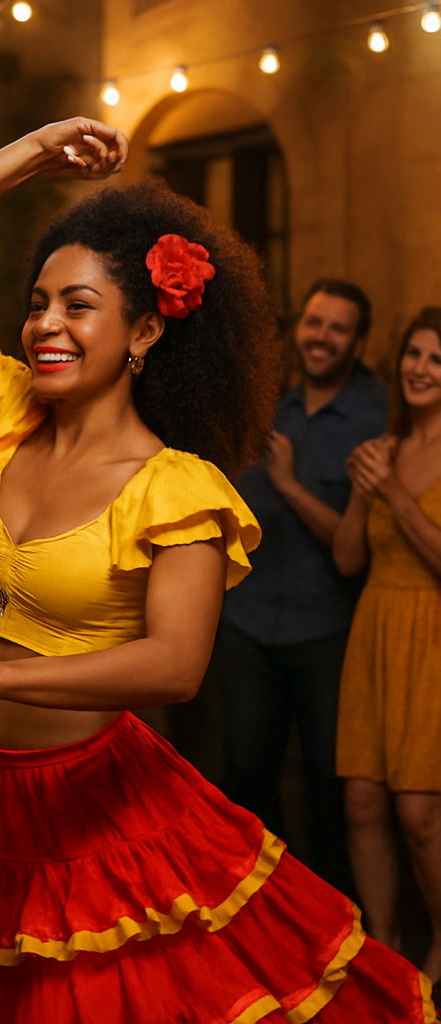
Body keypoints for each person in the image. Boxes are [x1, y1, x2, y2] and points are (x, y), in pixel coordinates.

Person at [0, 119, 434, 1023]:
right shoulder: (1, 415)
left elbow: (175, 666)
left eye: (78, 305)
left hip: (97, 815)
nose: (45, 325)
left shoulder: (175, 487)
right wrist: (39, 150)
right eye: (38, 302)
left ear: (143, 329)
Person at [216, 278, 387, 892]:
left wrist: (289, 484)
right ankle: (268, 905)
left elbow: (356, 546)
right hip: (249, 621)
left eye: (337, 328)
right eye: (314, 323)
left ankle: (337, 918)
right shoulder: (273, 405)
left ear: (360, 342)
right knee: (246, 771)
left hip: (327, 627)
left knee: (330, 782)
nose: (321, 337)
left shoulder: (376, 419)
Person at [333, 307, 441, 985]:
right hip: (374, 628)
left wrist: (396, 494)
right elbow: (348, 560)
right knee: (364, 803)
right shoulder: (388, 445)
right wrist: (360, 490)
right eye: (414, 355)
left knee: (420, 813)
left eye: (436, 360)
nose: (421, 369)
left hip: (431, 634)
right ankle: (388, 944)